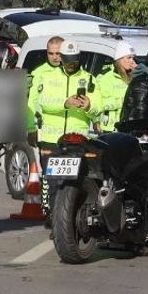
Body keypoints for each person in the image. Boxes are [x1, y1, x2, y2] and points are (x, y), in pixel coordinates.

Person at [30, 39, 98, 214]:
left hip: (78, 141)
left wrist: (89, 106)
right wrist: (65, 103)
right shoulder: (47, 76)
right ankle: (54, 221)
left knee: (76, 184)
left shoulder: (89, 79)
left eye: (74, 60)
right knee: (53, 184)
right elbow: (41, 103)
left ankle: (71, 222)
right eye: (67, 60)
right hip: (52, 141)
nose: (70, 64)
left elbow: (99, 108)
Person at [93, 41, 137, 133]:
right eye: (129, 58)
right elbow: (98, 103)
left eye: (133, 58)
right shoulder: (105, 78)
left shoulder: (135, 77)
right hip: (108, 129)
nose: (132, 61)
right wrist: (123, 101)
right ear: (119, 60)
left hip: (130, 128)